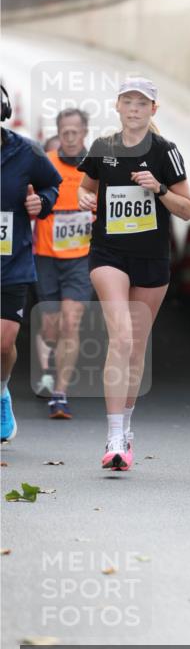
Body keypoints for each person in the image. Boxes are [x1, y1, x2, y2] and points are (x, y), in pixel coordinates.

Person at [77, 76, 190, 471]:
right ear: (117, 106)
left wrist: (159, 189)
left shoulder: (166, 152)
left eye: (142, 103)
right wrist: (85, 196)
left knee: (137, 347)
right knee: (121, 336)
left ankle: (126, 428)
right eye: (128, 101)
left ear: (153, 110)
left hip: (151, 258)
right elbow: (85, 187)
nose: (134, 109)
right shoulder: (102, 148)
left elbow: (187, 209)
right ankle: (111, 436)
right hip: (108, 253)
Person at [1, 85, 62, 442]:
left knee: (3, 342)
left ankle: (1, 393)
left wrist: (42, 202)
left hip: (12, 262)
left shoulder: (26, 153)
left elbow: (51, 185)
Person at [33, 108, 92, 417]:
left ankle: (60, 392)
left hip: (80, 259)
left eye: (75, 131)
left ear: (84, 133)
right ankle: (47, 365)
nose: (70, 136)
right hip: (45, 256)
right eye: (64, 131)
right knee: (51, 326)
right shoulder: (45, 164)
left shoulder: (94, 169)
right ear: (58, 132)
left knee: (71, 321)